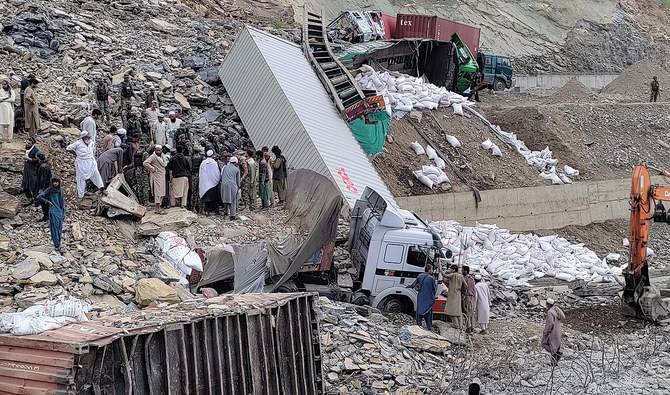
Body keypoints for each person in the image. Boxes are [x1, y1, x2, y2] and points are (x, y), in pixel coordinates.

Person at [66, 131, 105, 198]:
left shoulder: (91, 142)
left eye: (88, 137)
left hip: (91, 161)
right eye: (86, 137)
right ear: (83, 138)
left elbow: (92, 150)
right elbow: (68, 148)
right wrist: (76, 154)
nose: (88, 138)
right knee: (81, 178)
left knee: (96, 174)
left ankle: (102, 188)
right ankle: (81, 194)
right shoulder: (78, 143)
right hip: (82, 163)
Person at [36, 177, 65, 252]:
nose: (55, 183)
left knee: (59, 228)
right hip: (53, 211)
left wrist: (63, 212)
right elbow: (39, 197)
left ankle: (59, 243)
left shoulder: (61, 190)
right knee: (54, 228)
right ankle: (57, 245)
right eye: (54, 182)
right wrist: (47, 202)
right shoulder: (49, 190)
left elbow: (62, 202)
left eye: (57, 182)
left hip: (60, 211)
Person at [407, 264, 437, 330]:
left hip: (420, 296)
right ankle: (429, 326)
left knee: (419, 310)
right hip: (428, 297)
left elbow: (413, 285)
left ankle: (418, 325)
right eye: (432, 269)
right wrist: (433, 296)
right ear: (429, 270)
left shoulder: (419, 276)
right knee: (428, 312)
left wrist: (408, 286)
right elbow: (434, 289)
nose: (432, 271)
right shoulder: (431, 278)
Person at [143, 144, 168, 213]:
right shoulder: (153, 156)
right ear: (155, 150)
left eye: (159, 150)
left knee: (162, 192)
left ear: (161, 150)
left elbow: (164, 164)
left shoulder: (163, 156)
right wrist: (152, 169)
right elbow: (145, 163)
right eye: (157, 150)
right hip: (156, 176)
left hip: (162, 176)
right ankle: (157, 208)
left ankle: (159, 207)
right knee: (158, 193)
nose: (158, 151)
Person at [542, 298, 565, 366]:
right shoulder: (555, 310)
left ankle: (555, 359)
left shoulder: (550, 312)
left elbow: (550, 323)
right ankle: (554, 361)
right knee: (555, 345)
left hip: (552, 332)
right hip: (557, 331)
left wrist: (546, 332)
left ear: (548, 304)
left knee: (545, 344)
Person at [199, 150, 221, 214]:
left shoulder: (203, 163)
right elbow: (217, 173)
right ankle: (216, 211)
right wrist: (217, 180)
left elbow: (201, 173)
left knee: (207, 199)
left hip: (205, 184)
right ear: (212, 155)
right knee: (215, 198)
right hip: (214, 183)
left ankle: (207, 211)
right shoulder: (214, 163)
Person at [443, 264, 465, 329]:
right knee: (458, 311)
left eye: (451, 269)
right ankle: (461, 325)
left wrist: (443, 269)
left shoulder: (453, 275)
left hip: (452, 295)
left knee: (451, 310)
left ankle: (456, 325)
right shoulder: (461, 276)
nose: (450, 270)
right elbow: (465, 285)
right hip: (458, 295)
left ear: (453, 270)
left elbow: (444, 275)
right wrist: (461, 291)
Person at [35, 152, 52, 221]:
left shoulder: (43, 167)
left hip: (44, 187)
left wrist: (41, 189)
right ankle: (47, 216)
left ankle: (46, 216)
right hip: (47, 186)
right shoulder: (46, 164)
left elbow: (43, 179)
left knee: (44, 202)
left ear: (38, 158)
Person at [189, 146, 204, 212]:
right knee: (200, 192)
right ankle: (200, 208)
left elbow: (190, 167)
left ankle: (193, 208)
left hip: (193, 176)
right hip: (200, 175)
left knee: (193, 192)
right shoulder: (201, 157)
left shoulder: (191, 157)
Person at [462, 265, 476, 334]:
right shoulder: (472, 278)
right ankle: (472, 327)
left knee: (466, 312)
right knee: (471, 313)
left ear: (465, 271)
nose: (462, 271)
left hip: (467, 297)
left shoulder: (465, 278)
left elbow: (465, 288)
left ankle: (468, 328)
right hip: (472, 297)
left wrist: (463, 295)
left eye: (463, 270)